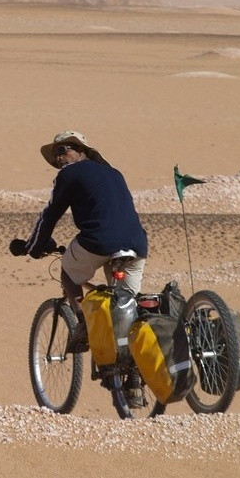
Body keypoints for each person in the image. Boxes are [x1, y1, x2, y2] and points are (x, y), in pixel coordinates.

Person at [20, 130, 148, 354]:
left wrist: (32, 248)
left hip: (99, 241)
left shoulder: (70, 174)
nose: (58, 158)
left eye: (62, 150)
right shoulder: (114, 173)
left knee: (68, 273)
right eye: (55, 155)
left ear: (80, 150)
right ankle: (130, 378)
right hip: (136, 244)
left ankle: (83, 323)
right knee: (127, 308)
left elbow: (50, 214)